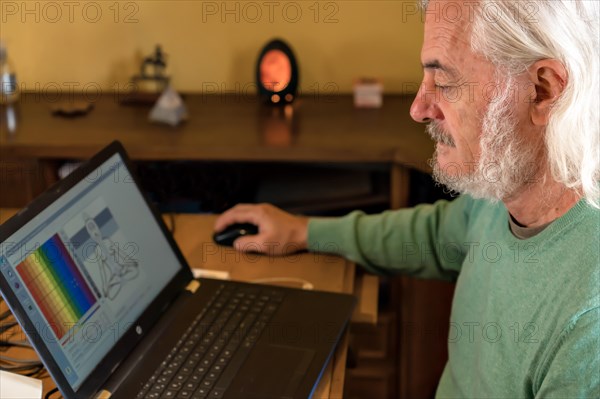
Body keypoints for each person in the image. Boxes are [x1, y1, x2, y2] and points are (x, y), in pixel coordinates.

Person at [215, 0, 599, 396]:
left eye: (445, 83)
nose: (419, 108)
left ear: (543, 90)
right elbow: (436, 235)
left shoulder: (588, 329)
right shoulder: (501, 190)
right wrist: (304, 231)